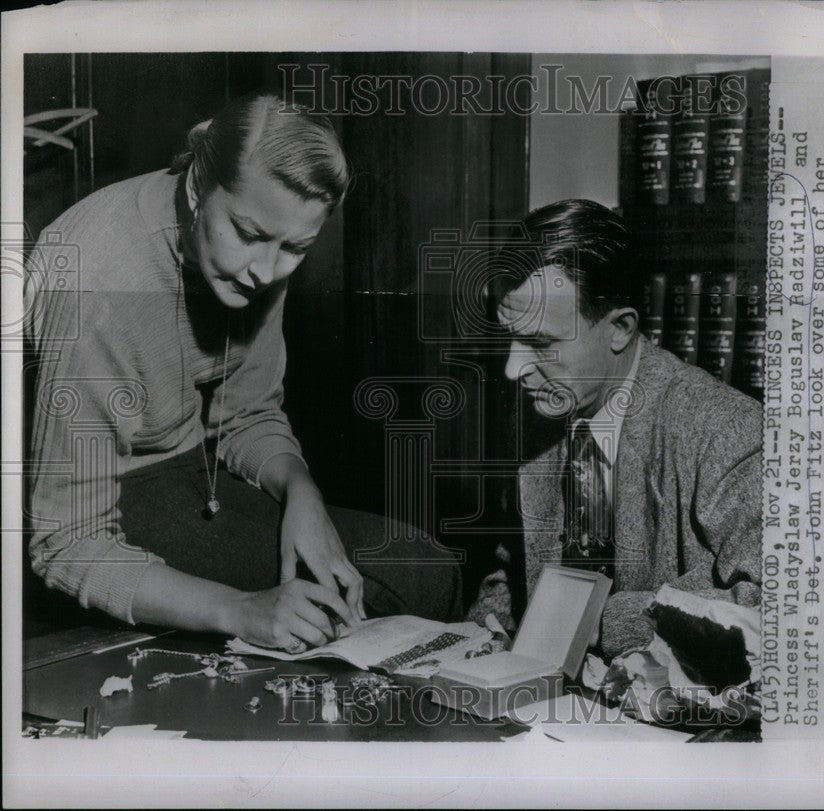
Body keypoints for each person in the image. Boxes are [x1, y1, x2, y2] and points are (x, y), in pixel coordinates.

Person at [25, 92, 461, 654]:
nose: (265, 271)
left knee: (423, 562)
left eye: (295, 248)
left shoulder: (259, 241)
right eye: (249, 235)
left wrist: (304, 495)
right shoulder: (96, 279)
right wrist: (240, 610)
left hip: (190, 476)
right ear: (194, 185)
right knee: (388, 587)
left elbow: (248, 415)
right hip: (96, 504)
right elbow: (67, 542)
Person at [467, 199, 762, 658]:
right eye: (509, 337)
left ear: (620, 328)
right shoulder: (540, 410)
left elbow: (778, 602)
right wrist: (485, 630)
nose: (512, 368)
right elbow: (509, 562)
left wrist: (599, 623)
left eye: (539, 343)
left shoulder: (726, 430)